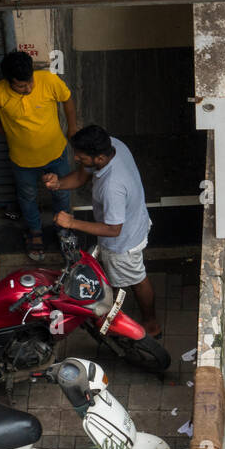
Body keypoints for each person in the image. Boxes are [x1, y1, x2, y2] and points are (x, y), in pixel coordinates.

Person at [44, 125, 161, 337]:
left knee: (136, 279)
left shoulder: (112, 186)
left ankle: (151, 324)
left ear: (98, 158)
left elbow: (113, 229)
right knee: (124, 275)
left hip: (123, 243)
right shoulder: (113, 145)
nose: (77, 159)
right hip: (136, 222)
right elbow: (81, 177)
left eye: (81, 157)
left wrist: (71, 223)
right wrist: (58, 184)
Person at [0, 50, 78, 262]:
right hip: (22, 161)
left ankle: (64, 230)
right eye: (21, 86)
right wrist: (6, 132)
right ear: (8, 81)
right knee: (28, 197)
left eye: (30, 82)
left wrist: (72, 129)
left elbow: (67, 99)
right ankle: (35, 232)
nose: (29, 88)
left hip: (56, 154)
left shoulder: (48, 80)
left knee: (61, 194)